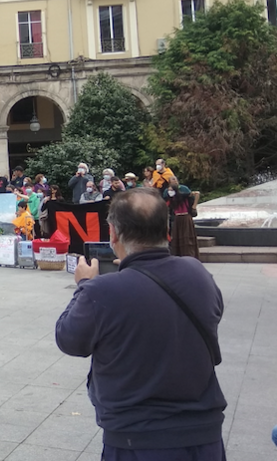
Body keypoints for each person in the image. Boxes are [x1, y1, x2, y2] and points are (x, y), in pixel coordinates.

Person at [56, 188, 226, 459]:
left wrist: (84, 285)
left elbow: (69, 339)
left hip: (137, 440)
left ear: (112, 233)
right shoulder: (198, 273)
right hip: (204, 436)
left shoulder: (101, 291)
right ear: (166, 230)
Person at [164, 177, 200, 260]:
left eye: (171, 190)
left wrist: (194, 207)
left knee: (187, 237)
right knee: (177, 238)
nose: (169, 191)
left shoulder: (184, 195)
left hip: (185, 217)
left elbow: (197, 193)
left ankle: (189, 256)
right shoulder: (170, 199)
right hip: (177, 218)